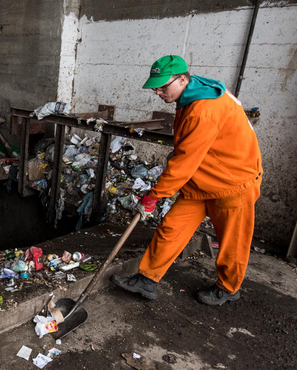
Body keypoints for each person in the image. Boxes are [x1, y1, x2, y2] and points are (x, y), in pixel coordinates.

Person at [111, 55, 263, 305]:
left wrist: (154, 196)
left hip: (232, 183)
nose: (158, 92)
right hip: (203, 179)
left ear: (182, 79)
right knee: (172, 227)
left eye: (163, 86)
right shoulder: (193, 90)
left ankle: (228, 288)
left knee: (232, 242)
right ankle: (147, 279)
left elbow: (183, 162)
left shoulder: (204, 109)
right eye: (156, 87)